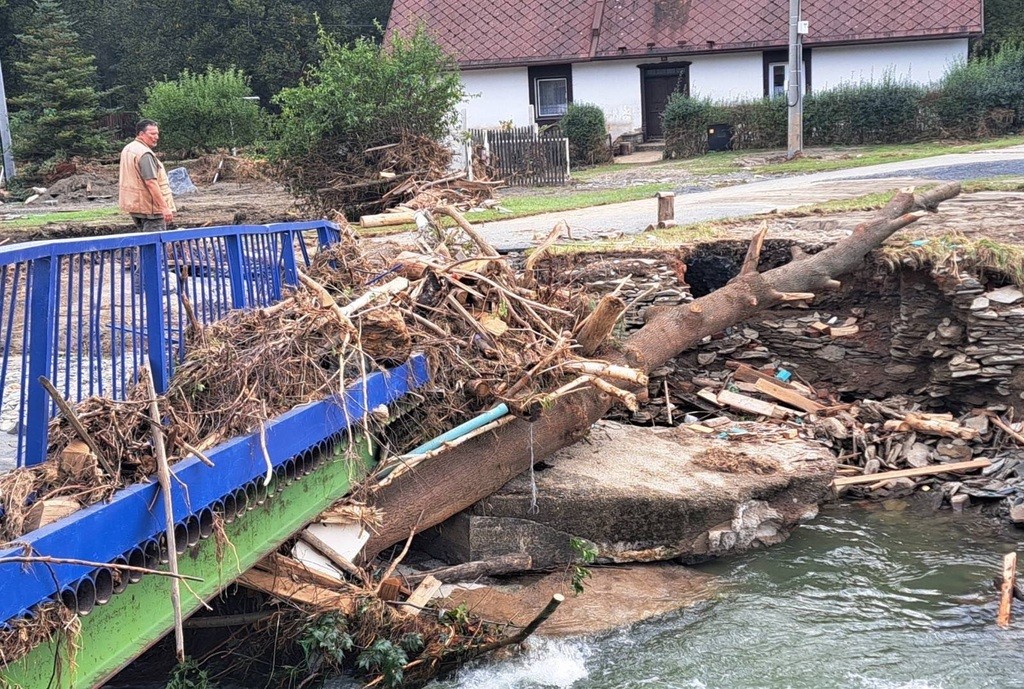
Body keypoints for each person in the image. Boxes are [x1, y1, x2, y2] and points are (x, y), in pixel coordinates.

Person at [118, 119, 175, 231]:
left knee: (146, 243)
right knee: (155, 245)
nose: (156, 137)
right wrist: (164, 208)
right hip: (150, 209)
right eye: (152, 134)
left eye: (157, 133)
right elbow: (151, 183)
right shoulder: (145, 154)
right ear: (141, 134)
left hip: (136, 206)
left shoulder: (128, 148)